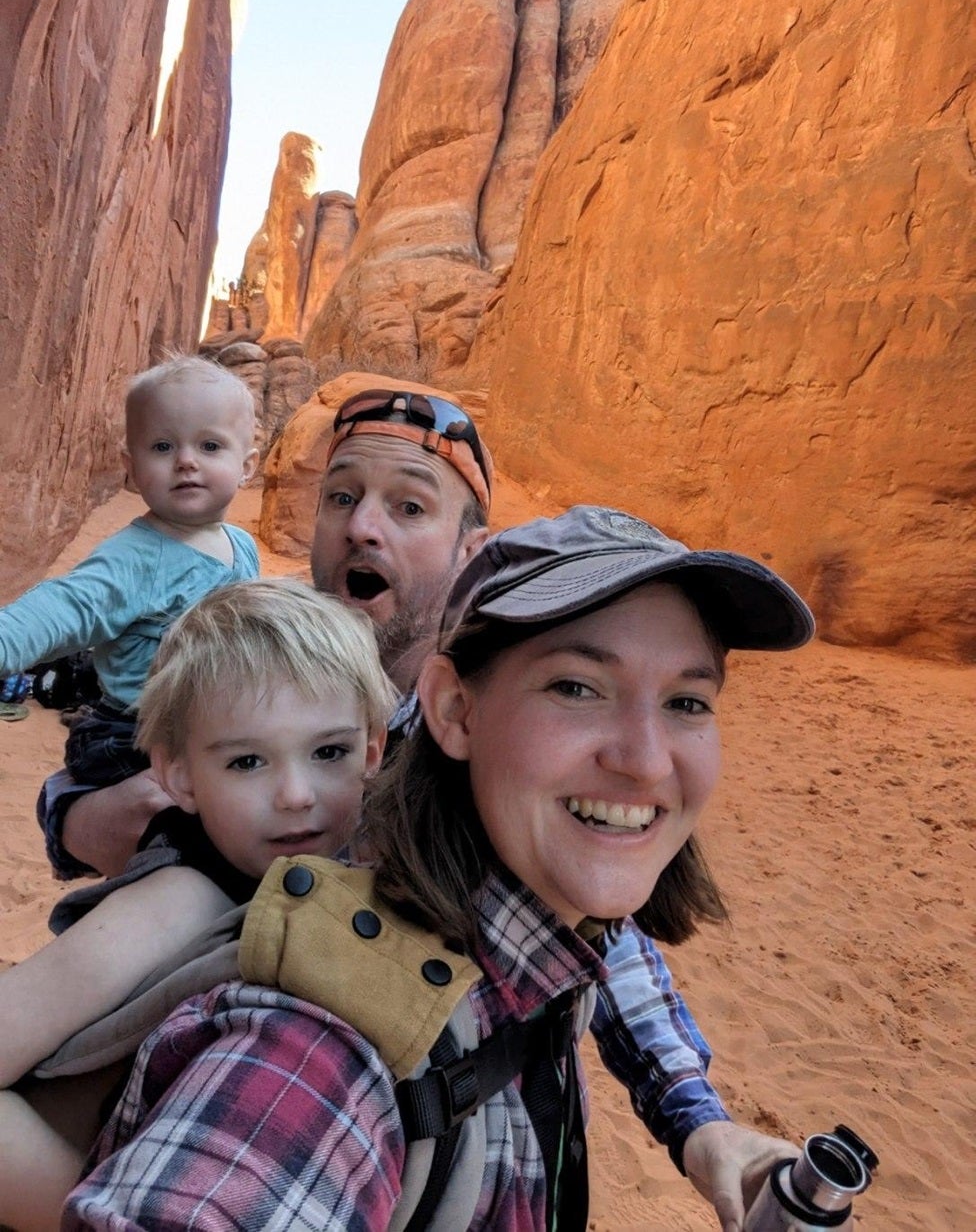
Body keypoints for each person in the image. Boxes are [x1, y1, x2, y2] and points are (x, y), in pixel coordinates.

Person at [41, 388, 803, 1225]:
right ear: (455, 711)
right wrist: (84, 811)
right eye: (341, 497)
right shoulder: (259, 662)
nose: (363, 528)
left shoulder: (519, 821)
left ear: (468, 548)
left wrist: (696, 1121)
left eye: (408, 506)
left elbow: (593, 938)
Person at [0, 577, 395, 1232]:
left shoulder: (340, 870)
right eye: (247, 762)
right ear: (177, 774)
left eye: (329, 752)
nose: (296, 794)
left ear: (373, 751)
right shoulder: (177, 903)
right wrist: (103, 1205)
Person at [1, 355, 260, 792]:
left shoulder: (243, 546)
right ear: (131, 465)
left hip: (211, 733)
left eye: (210, 446)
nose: (186, 461)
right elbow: (63, 607)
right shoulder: (135, 558)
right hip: (134, 740)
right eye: (162, 446)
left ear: (247, 466)